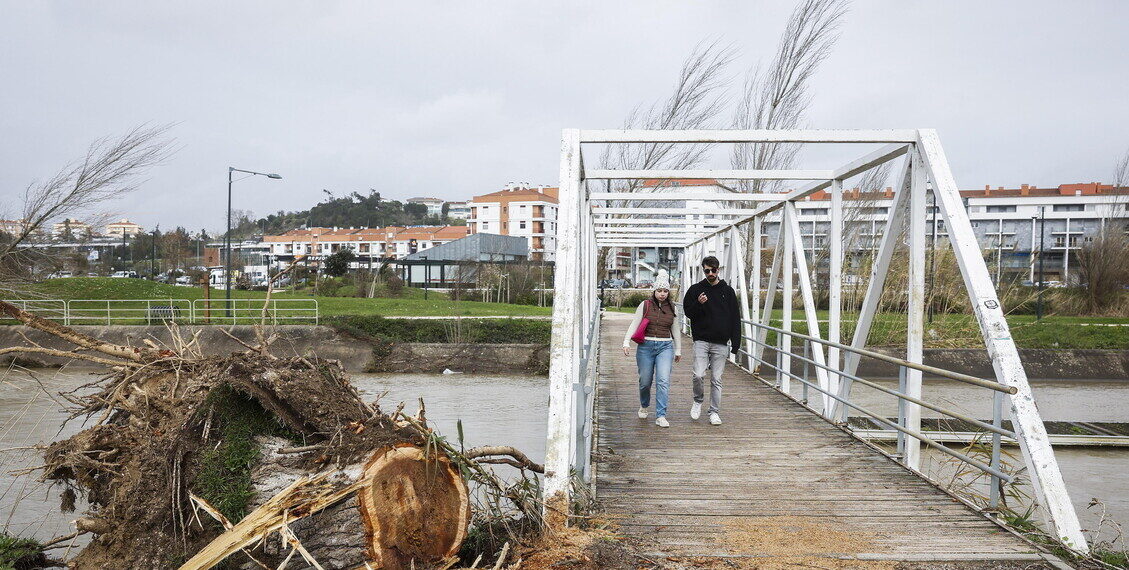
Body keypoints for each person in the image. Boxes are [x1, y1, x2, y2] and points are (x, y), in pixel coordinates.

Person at [682, 256, 740, 426]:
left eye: (713, 270)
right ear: (703, 270)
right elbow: (688, 313)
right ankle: (698, 400)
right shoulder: (696, 290)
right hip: (701, 340)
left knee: (716, 379)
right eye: (707, 270)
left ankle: (714, 412)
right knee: (698, 374)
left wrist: (736, 343)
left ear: (718, 270)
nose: (710, 273)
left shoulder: (728, 292)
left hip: (720, 342)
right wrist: (699, 304)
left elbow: (735, 318)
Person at [622, 272, 682, 428]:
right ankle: (644, 404)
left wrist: (678, 350)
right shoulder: (645, 305)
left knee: (663, 381)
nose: (662, 294)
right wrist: (626, 342)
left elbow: (676, 330)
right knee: (645, 381)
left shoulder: (673, 308)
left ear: (668, 292)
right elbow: (634, 324)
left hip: (665, 346)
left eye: (665, 291)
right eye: (659, 290)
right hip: (646, 347)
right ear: (654, 291)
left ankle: (661, 415)